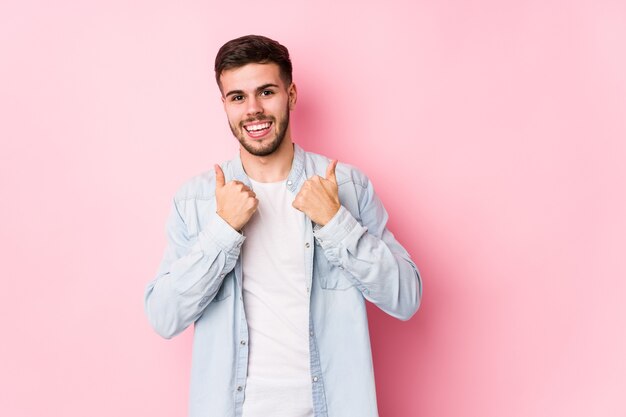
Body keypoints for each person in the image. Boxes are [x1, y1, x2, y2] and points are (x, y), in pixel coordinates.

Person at [144, 34, 422, 417]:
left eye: (267, 92)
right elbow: (164, 316)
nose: (253, 109)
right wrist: (223, 230)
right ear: (224, 105)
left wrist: (336, 222)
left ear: (291, 95)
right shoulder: (196, 201)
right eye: (238, 97)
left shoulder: (346, 187)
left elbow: (406, 297)